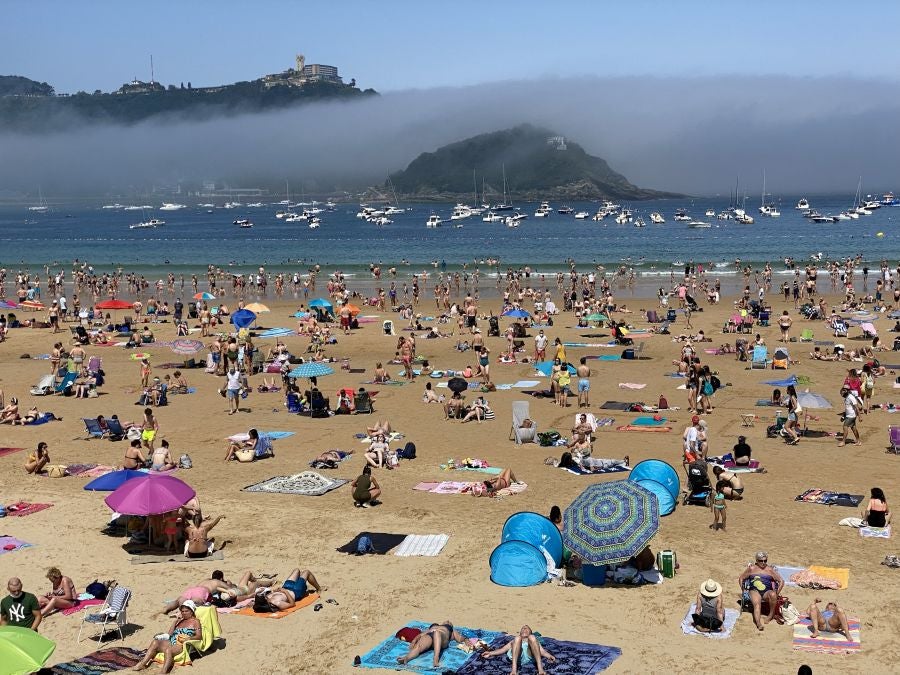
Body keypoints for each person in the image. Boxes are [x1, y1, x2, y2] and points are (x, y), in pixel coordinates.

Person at [134, 600, 202, 673]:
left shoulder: (195, 621)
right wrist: (175, 622)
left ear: (192, 611)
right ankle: (143, 664)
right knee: (155, 642)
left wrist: (188, 638)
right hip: (172, 640)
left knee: (168, 650)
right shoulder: (181, 621)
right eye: (182, 611)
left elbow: (199, 636)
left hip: (181, 644)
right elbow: (169, 634)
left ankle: (164, 671)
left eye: (186, 611)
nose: (184, 613)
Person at [480, 625, 557, 675]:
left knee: (533, 638)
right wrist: (490, 653)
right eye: (523, 628)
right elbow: (503, 649)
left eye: (527, 628)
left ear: (530, 632)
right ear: (520, 632)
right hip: (517, 656)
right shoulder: (514, 640)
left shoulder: (533, 639)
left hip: (529, 655)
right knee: (517, 639)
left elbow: (542, 651)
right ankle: (514, 670)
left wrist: (549, 656)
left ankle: (540, 670)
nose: (524, 629)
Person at [738, 551, 784, 631]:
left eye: (765, 561)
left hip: (767, 592)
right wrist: (743, 590)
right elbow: (741, 578)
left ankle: (770, 615)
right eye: (761, 561)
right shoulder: (751, 569)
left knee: (773, 595)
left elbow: (781, 581)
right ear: (756, 560)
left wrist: (777, 592)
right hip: (754, 591)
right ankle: (758, 623)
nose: (763, 563)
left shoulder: (770, 570)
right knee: (757, 604)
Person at [396, 621, 465, 668]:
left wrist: (466, 639)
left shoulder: (451, 630)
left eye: (449, 623)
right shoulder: (434, 627)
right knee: (419, 646)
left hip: (442, 638)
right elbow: (421, 635)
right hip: (430, 635)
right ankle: (406, 658)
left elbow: (459, 638)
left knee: (437, 633)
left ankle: (436, 658)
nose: (448, 621)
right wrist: (414, 641)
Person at [258, 568, 324, 610]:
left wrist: (274, 590)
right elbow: (292, 604)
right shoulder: (277, 603)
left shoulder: (267, 596)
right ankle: (319, 588)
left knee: (296, 570)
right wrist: (285, 592)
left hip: (286, 586)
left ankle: (301, 580)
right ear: (264, 600)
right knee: (307, 572)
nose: (264, 595)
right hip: (296, 591)